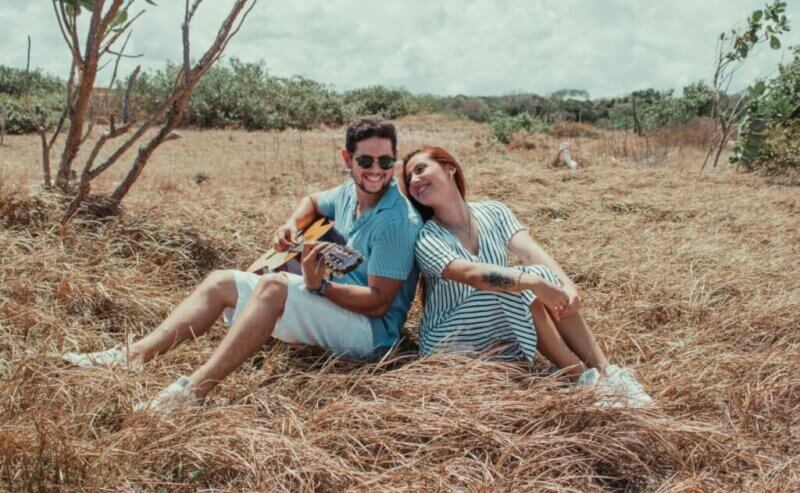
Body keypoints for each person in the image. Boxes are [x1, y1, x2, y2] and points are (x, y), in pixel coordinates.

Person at [64, 116, 422, 411]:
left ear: (395, 161)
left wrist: (321, 287)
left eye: (386, 162)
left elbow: (378, 304)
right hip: (334, 300)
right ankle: (133, 355)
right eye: (365, 161)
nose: (376, 170)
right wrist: (291, 225)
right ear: (347, 159)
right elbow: (312, 201)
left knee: (273, 287)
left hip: (371, 334)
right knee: (221, 281)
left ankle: (191, 394)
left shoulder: (396, 221)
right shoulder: (349, 192)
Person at [401, 146, 652, 407]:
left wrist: (565, 285)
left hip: (496, 325)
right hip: (449, 340)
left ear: (449, 167)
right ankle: (583, 380)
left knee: (538, 273)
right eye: (409, 180)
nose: (415, 181)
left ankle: (607, 371)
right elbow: (473, 275)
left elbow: (531, 252)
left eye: (420, 169)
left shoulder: (493, 211)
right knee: (519, 281)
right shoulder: (427, 237)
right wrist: (533, 282)